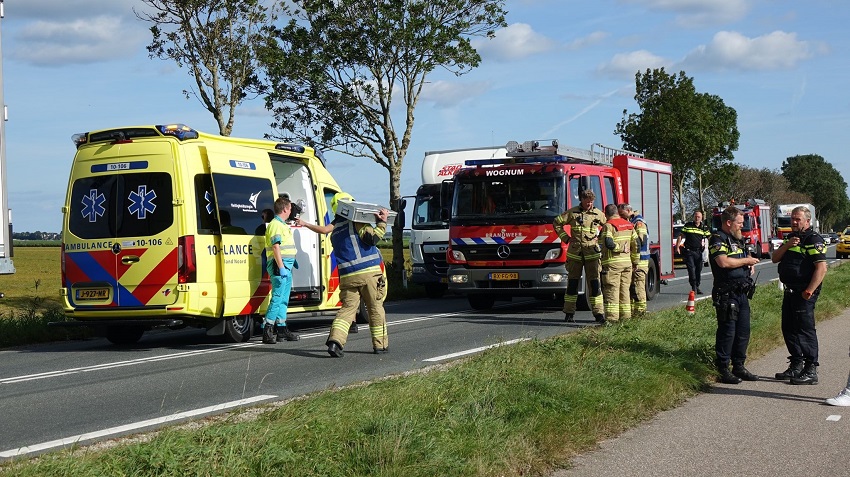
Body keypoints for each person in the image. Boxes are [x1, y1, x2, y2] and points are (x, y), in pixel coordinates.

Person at [297, 192, 389, 357]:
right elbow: (372, 239)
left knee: (347, 310)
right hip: (369, 274)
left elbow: (324, 229)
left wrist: (304, 223)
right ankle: (380, 345)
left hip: (348, 277)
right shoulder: (357, 221)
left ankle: (335, 342)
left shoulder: (335, 232)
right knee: (375, 308)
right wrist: (382, 223)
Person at [772, 205, 827, 384]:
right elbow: (775, 258)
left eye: (798, 220)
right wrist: (788, 245)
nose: (794, 222)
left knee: (805, 330)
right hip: (790, 291)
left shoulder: (813, 239)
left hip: (804, 292)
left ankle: (811, 369)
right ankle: (796, 365)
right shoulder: (791, 238)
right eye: (792, 219)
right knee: (788, 328)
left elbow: (821, 268)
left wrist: (809, 291)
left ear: (807, 221)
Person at [708, 205, 760, 384]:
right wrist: (746, 260)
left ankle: (739, 366)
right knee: (727, 332)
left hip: (741, 292)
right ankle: (723, 368)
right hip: (726, 293)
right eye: (739, 223)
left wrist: (748, 265)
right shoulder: (717, 239)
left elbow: (738, 259)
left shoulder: (737, 240)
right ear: (728, 222)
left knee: (743, 331)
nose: (741, 226)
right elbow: (723, 262)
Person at [554, 189, 606, 323]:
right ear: (581, 200)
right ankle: (569, 313)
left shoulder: (598, 214)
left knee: (595, 284)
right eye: (587, 201)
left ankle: (599, 314)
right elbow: (557, 223)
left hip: (592, 254)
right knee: (572, 284)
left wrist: (600, 240)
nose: (589, 204)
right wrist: (566, 238)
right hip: (575, 254)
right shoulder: (572, 213)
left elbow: (607, 229)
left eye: (591, 202)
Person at [262, 197, 301, 344]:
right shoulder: (275, 225)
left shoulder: (282, 225)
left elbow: (285, 247)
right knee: (277, 297)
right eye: (290, 208)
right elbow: (276, 247)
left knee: (284, 299)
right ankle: (268, 329)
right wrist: (281, 267)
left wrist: (291, 261)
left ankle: (282, 329)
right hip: (280, 266)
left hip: (286, 265)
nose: (291, 211)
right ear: (285, 209)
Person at [601, 204, 638, 323]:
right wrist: (635, 261)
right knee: (624, 290)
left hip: (613, 265)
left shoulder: (608, 225)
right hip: (627, 264)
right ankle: (626, 318)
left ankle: (612, 320)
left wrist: (620, 248)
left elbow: (608, 243)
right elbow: (636, 244)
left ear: (606, 214)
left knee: (612, 290)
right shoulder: (629, 225)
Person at [619, 204, 649, 315]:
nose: (621, 217)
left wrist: (628, 248)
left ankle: (641, 312)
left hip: (640, 261)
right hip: (634, 260)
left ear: (628, 210)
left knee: (638, 286)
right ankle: (633, 312)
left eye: (622, 214)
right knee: (632, 287)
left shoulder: (639, 223)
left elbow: (641, 241)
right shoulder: (632, 221)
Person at [676, 210, 711, 294]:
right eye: (695, 216)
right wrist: (677, 246)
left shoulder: (704, 227)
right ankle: (693, 286)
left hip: (698, 252)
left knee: (698, 270)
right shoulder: (688, 226)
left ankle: (697, 285)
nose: (697, 218)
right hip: (689, 251)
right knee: (691, 269)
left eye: (698, 216)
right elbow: (680, 236)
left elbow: (709, 237)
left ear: (702, 218)